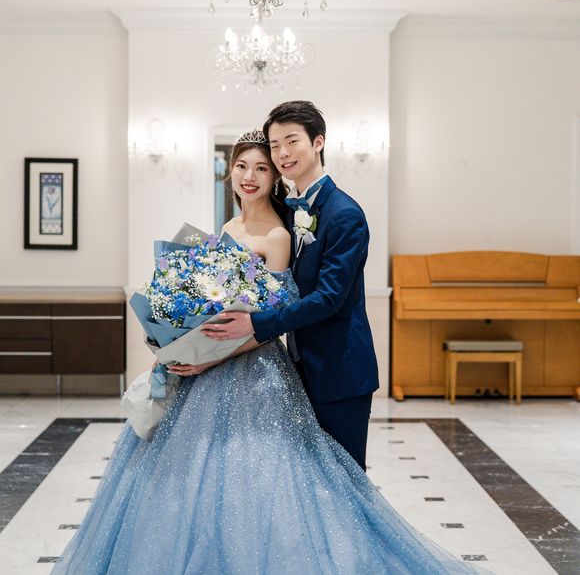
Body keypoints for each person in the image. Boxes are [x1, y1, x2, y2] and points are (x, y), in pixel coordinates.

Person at [52, 131, 481, 574]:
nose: (250, 176)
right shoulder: (227, 228)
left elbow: (272, 319)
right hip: (208, 364)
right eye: (242, 166)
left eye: (261, 168)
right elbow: (210, 306)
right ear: (229, 172)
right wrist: (175, 341)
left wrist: (210, 357)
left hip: (252, 366)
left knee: (259, 476)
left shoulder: (279, 235)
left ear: (276, 176)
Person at [202, 101, 378, 471]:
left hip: (338, 371)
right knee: (309, 481)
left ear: (318, 142)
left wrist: (255, 325)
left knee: (344, 479)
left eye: (292, 141)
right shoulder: (289, 212)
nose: (283, 152)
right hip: (297, 368)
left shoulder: (344, 214)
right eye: (275, 144)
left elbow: (328, 299)